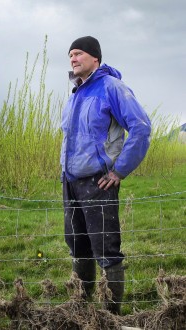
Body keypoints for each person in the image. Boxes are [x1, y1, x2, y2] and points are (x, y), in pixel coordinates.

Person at [60, 36, 151, 314]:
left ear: (95, 58)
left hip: (99, 181)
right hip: (71, 182)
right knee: (78, 244)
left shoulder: (112, 87)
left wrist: (119, 170)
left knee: (106, 249)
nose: (73, 59)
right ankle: (82, 307)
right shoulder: (76, 94)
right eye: (70, 55)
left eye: (78, 54)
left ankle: (110, 315)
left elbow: (141, 127)